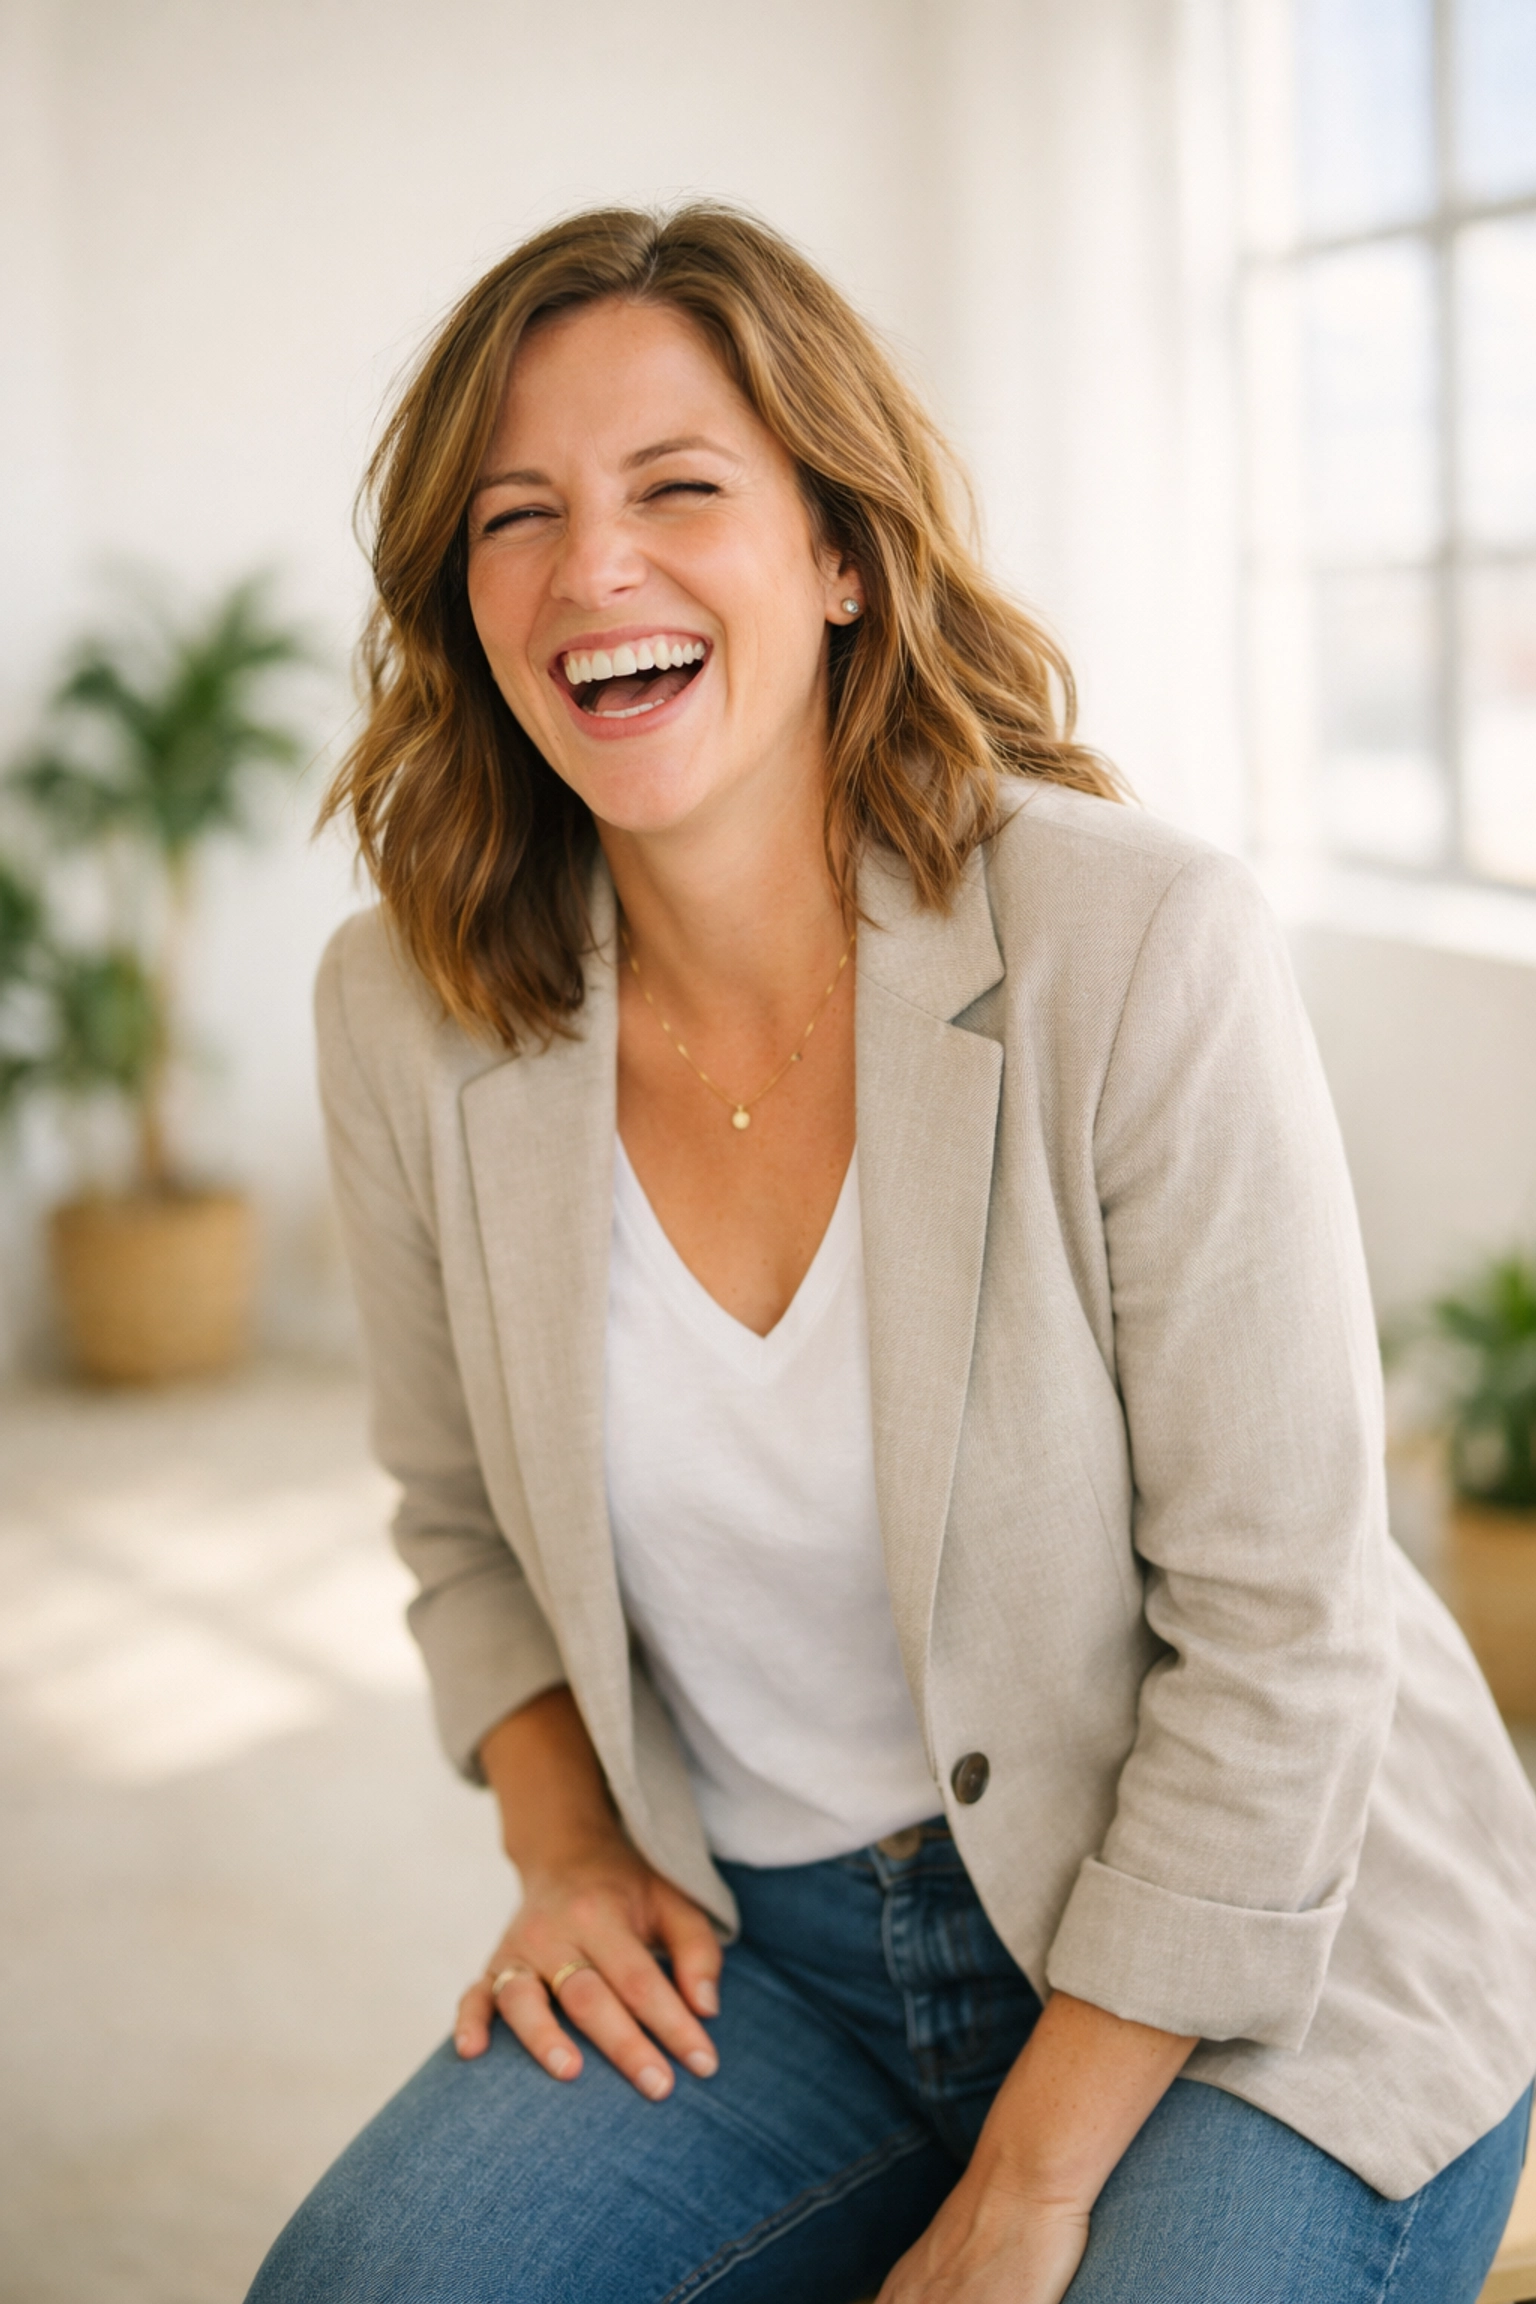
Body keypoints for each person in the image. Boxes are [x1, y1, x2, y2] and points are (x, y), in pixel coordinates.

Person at [248, 204, 1536, 2304]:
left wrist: (1027, 2187)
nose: (592, 570)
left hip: (1260, 1950)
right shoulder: (405, 1013)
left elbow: (1285, 1641)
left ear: (841, 552)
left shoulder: (1138, 942)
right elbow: (459, 1521)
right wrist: (565, 1850)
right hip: (778, 1957)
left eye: (678, 488)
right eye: (516, 516)